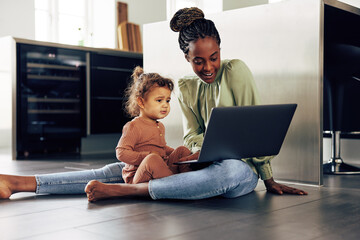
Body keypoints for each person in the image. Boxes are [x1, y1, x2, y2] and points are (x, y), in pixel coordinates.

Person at [0, 7, 307, 202]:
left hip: (237, 167)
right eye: (198, 61)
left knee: (228, 173)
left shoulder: (236, 71)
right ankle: (19, 182)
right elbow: (191, 135)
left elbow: (253, 133)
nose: (209, 66)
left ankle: (129, 192)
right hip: (199, 163)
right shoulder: (186, 87)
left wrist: (268, 179)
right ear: (187, 58)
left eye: (214, 57)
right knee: (127, 166)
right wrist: (197, 149)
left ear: (220, 51)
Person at [117, 66, 192, 184]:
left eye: (167, 100)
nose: (165, 105)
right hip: (138, 175)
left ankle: (188, 180)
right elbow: (121, 153)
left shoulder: (160, 126)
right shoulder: (133, 126)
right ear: (141, 102)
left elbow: (161, 148)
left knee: (182, 150)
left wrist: (173, 153)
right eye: (159, 100)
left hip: (160, 167)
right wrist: (147, 155)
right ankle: (176, 185)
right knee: (152, 159)